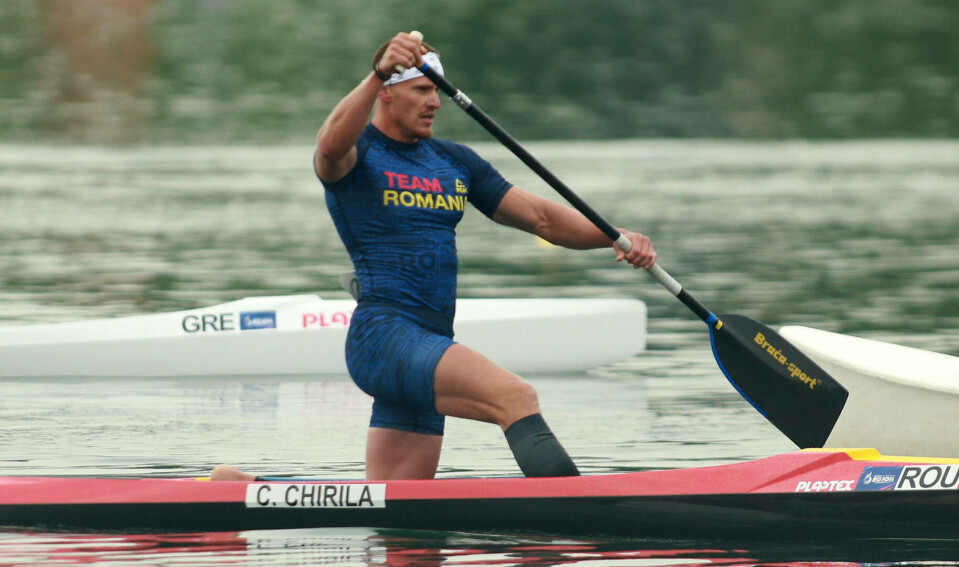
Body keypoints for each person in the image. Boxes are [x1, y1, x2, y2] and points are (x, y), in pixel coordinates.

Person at [212, 32, 656, 482]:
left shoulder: (454, 162)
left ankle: (244, 491)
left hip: (428, 339)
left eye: (438, 91)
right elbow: (327, 147)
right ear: (386, 93)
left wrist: (614, 236)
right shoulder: (357, 155)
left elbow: (542, 218)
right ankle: (575, 517)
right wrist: (377, 71)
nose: (435, 102)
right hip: (385, 337)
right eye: (422, 89)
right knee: (515, 398)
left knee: (395, 508)